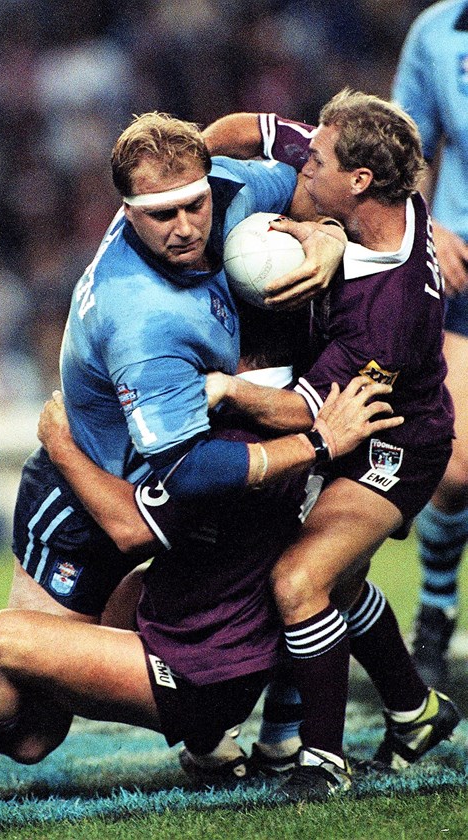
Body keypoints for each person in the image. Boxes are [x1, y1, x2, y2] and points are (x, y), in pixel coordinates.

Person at [0, 111, 349, 788]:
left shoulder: (232, 187)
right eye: (160, 215)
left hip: (163, 479)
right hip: (87, 503)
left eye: (194, 205)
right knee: (30, 731)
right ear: (127, 210)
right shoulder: (143, 316)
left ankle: (253, 736)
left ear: (210, 183)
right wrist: (316, 442)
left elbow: (322, 165)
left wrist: (327, 233)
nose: (184, 227)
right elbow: (160, 496)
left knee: (296, 562)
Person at [0, 372, 403, 811]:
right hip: (199, 641)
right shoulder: (328, 470)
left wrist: (62, 446)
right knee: (31, 734)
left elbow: (129, 528)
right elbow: (347, 586)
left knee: (3, 644)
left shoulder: (227, 449)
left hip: (195, 676)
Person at [200, 89, 459, 800]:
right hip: (364, 417)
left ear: (359, 181)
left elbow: (305, 414)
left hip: (395, 444)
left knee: (299, 581)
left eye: (316, 161)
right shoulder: (364, 188)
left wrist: (223, 390)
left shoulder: (389, 313)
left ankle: (321, 759)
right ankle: (415, 711)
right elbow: (244, 128)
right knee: (338, 581)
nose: (302, 163)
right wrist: (190, 174)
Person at [392, 0, 468, 688]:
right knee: (455, 466)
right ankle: (437, 609)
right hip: (461, 265)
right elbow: (401, 150)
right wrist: (423, 224)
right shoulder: (437, 31)